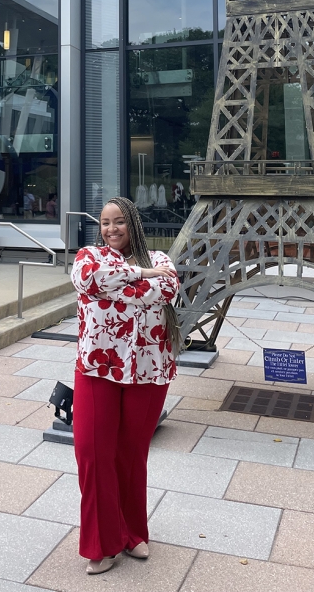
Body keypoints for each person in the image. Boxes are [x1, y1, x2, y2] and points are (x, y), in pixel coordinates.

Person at [70, 196, 180, 575]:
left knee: (130, 455)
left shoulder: (161, 259)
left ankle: (132, 532)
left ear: (133, 223)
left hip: (149, 370)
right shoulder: (88, 255)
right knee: (91, 452)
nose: (111, 229)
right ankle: (102, 542)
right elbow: (89, 280)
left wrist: (129, 283)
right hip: (97, 367)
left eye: (118, 221)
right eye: (104, 222)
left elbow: (166, 291)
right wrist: (141, 276)